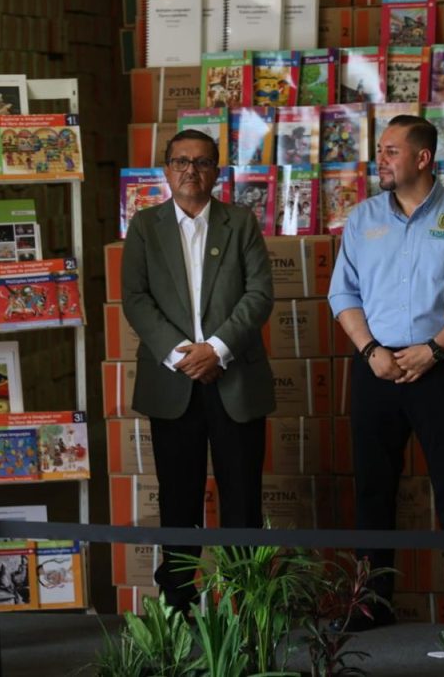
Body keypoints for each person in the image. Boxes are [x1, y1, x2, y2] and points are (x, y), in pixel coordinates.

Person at [328, 115, 444, 630]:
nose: (379, 160)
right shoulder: (362, 219)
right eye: (379, 150)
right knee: (373, 489)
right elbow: (343, 292)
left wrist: (434, 351)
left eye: (391, 151)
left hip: (440, 368)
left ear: (423, 158)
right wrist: (369, 350)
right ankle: (369, 604)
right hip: (375, 368)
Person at [121, 129, 275, 613]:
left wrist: (217, 349)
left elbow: (259, 295)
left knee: (242, 499)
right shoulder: (145, 226)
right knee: (177, 499)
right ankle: (178, 604)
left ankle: (246, 605)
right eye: (181, 161)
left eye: (202, 162)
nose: (191, 170)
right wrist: (183, 354)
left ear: (217, 172)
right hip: (173, 382)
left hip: (235, 380)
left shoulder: (241, 222)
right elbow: (135, 299)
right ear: (167, 170)